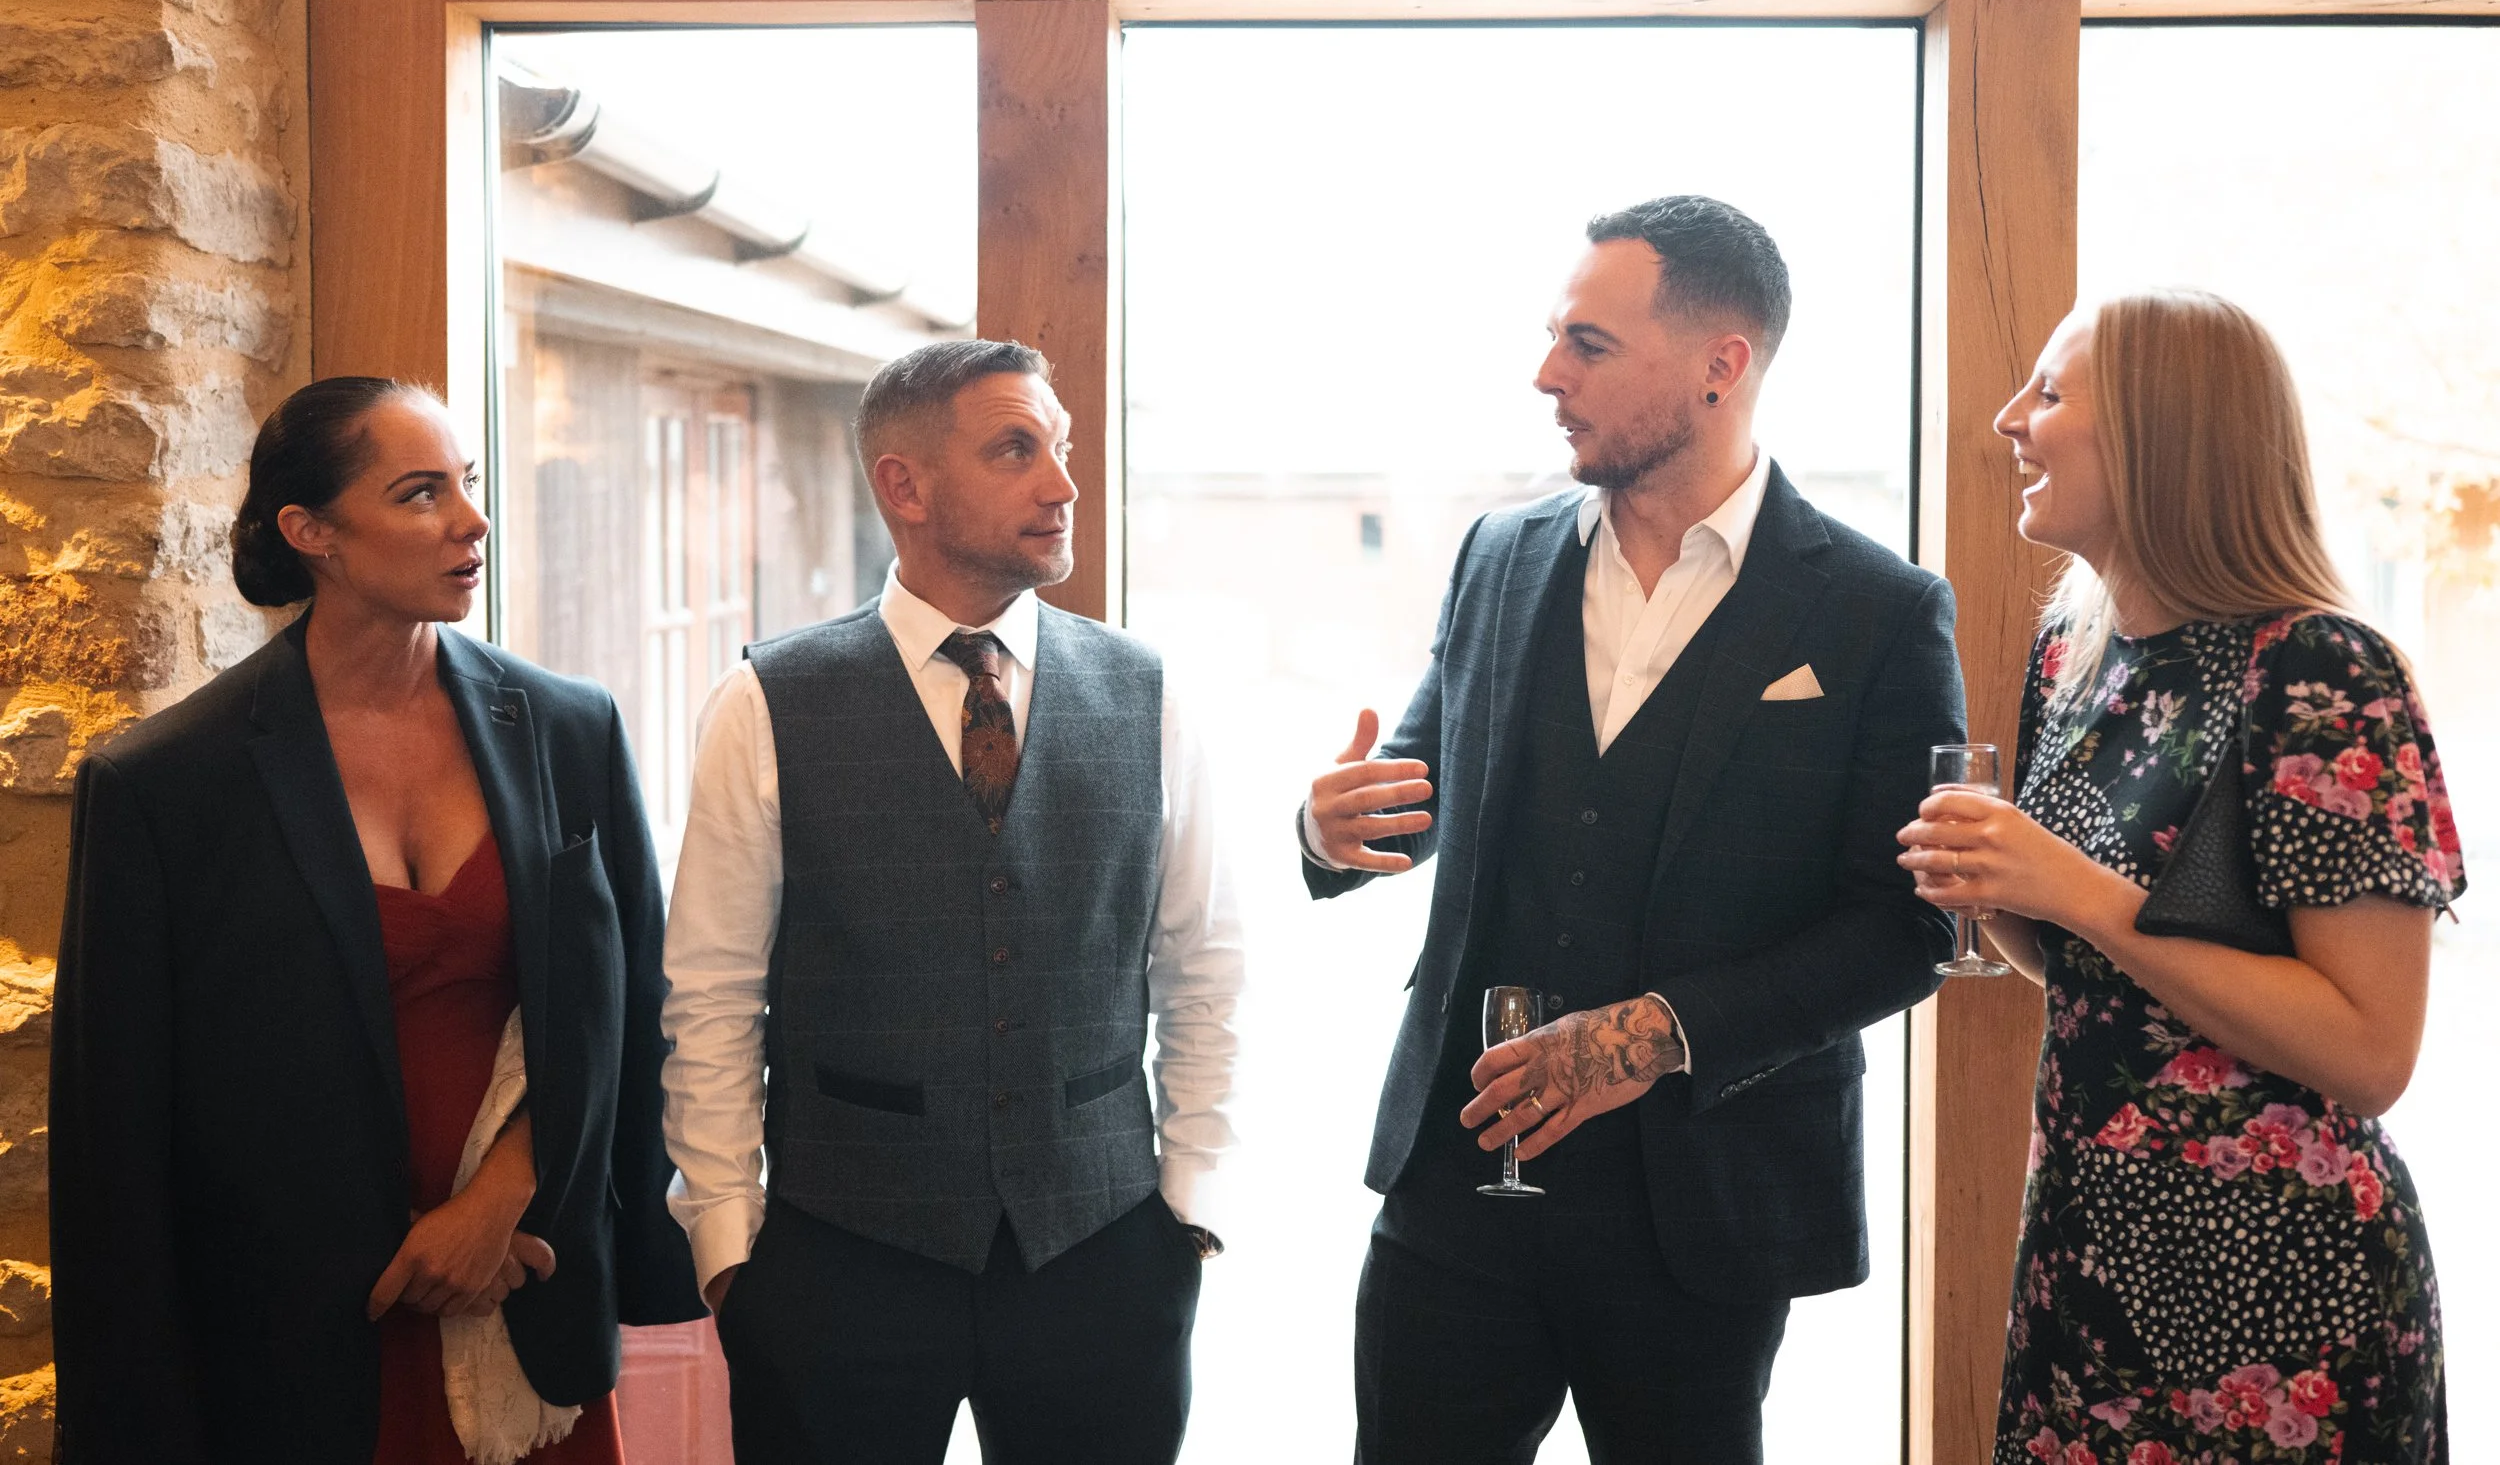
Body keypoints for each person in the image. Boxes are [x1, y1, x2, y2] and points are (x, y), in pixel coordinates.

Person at [1303, 195, 1964, 1464]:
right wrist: (1334, 827)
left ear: (1723, 365)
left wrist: (1654, 1035)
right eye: (1555, 338)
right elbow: (1416, 784)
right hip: (1457, 1179)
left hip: (1700, 1206)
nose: (1546, 374)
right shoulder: (1500, 551)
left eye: (1588, 344)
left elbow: (1907, 926)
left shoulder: (1879, 608)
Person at [51, 378, 702, 1464]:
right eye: (419, 493)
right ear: (312, 534)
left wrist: (507, 1195)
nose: (471, 519)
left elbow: (630, 1000)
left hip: (524, 1282)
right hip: (305, 1324)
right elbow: (114, 1136)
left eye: (468, 483)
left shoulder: (571, 729)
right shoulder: (164, 785)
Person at [1897, 289, 2460, 1464]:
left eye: (2049, 393)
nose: (2009, 418)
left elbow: (2370, 1050)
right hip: (2088, 1258)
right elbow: (2087, 968)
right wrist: (1997, 890)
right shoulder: (2075, 650)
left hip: (2280, 1295)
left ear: (2165, 434)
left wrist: (2076, 887)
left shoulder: (2320, 669)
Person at [660, 338, 1242, 1465]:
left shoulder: (1150, 693)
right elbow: (712, 992)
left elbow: (1205, 965)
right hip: (840, 1260)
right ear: (904, 485)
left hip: (1106, 1250)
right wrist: (729, 1245)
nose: (1062, 483)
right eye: (1016, 448)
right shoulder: (765, 700)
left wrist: (1190, 1208)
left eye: (1061, 448)